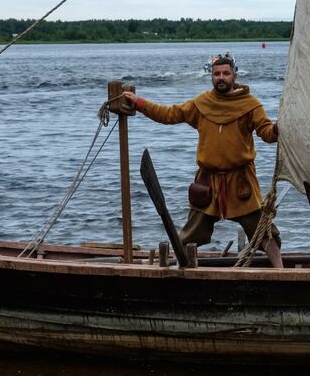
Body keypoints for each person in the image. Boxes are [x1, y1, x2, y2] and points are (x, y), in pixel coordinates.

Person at [120, 53, 283, 267]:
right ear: (211, 76)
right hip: (207, 181)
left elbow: (267, 133)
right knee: (190, 235)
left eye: (226, 73)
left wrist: (279, 128)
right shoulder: (202, 104)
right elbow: (169, 114)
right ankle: (178, 269)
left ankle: (281, 271)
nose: (221, 78)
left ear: (234, 75)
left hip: (241, 182)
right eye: (217, 74)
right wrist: (139, 103)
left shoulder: (249, 105)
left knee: (264, 232)